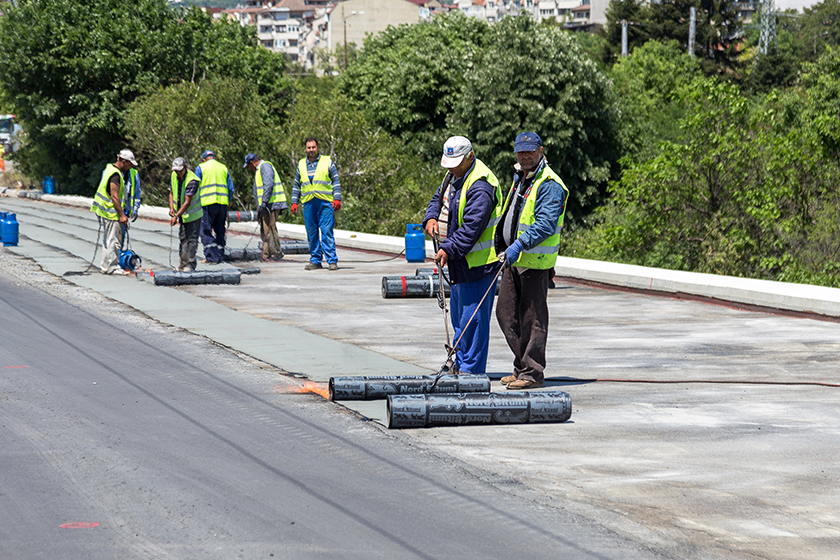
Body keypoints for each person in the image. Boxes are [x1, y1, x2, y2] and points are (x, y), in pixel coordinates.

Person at [494, 132, 569, 390]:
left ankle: (533, 372)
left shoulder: (548, 183)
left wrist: (520, 244)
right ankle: (521, 366)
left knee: (533, 319)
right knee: (505, 314)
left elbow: (546, 224)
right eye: (520, 152)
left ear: (540, 150)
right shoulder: (521, 178)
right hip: (514, 260)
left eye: (529, 151)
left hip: (534, 262)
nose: (524, 156)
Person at [422, 136, 503, 375]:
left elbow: (471, 229)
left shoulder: (481, 184)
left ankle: (471, 373)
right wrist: (431, 218)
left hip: (477, 265)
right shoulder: (454, 174)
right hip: (459, 262)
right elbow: (437, 199)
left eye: (455, 162)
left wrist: (447, 249)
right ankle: (460, 364)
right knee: (460, 320)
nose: (450, 167)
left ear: (470, 155)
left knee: (472, 322)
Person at [291, 137, 341, 270]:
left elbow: (335, 180)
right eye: (309, 148)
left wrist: (337, 198)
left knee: (326, 231)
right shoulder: (301, 164)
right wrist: (294, 202)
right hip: (308, 203)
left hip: (324, 202)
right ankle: (315, 260)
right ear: (305, 149)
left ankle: (331, 260)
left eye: (313, 147)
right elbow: (297, 184)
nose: (311, 150)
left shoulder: (327, 162)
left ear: (317, 147)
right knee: (311, 232)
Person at [90, 149, 137, 274]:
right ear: (122, 161)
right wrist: (122, 215)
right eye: (129, 164)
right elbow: (114, 196)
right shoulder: (116, 175)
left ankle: (106, 266)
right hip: (111, 212)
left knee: (107, 239)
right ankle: (112, 266)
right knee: (114, 240)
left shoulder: (109, 169)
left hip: (105, 211)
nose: (130, 167)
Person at [244, 153, 288, 261]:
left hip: (271, 204)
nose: (249, 169)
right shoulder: (260, 170)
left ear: (252, 163)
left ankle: (275, 253)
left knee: (270, 228)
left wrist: (264, 201)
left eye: (249, 166)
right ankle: (267, 253)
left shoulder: (265, 167)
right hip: (266, 205)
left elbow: (268, 184)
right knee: (265, 228)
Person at [195, 150, 234, 264]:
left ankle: (212, 256)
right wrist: (229, 200)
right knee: (220, 229)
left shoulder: (201, 168)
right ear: (213, 157)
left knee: (206, 230)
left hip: (207, 203)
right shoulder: (223, 167)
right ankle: (220, 254)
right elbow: (230, 188)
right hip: (222, 203)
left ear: (204, 159)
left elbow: (195, 186)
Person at [168, 157, 203, 272]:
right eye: (176, 170)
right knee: (183, 238)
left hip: (193, 215)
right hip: (182, 215)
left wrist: (176, 216)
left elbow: (187, 202)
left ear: (185, 167)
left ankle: (191, 264)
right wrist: (172, 208)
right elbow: (172, 192)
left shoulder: (192, 180)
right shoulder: (174, 175)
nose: (178, 173)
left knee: (192, 240)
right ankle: (183, 263)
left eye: (180, 170)